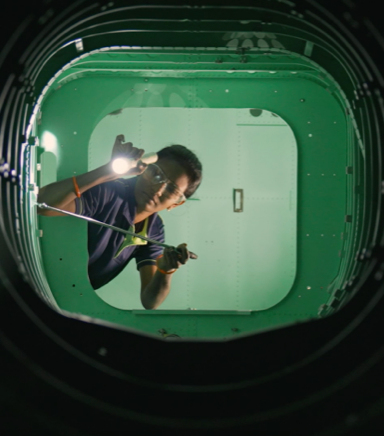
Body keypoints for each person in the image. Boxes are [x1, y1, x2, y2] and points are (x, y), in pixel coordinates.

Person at [37, 134, 203, 310]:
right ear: (145, 168)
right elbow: (43, 204)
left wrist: (165, 271)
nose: (158, 189)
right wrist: (107, 171)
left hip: (65, 302)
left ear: (177, 203)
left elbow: (150, 302)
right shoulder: (110, 192)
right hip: (38, 279)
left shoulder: (154, 229)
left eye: (171, 189)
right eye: (156, 174)